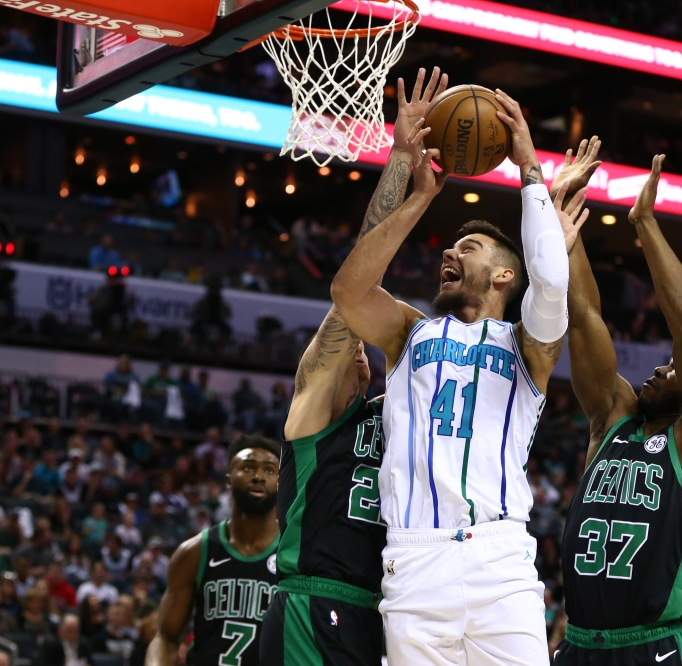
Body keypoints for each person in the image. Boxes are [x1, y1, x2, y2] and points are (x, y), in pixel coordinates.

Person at [331, 83, 582, 665]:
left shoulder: (529, 347)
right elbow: (348, 292)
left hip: (500, 559)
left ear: (502, 277)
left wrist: (528, 168)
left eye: (467, 248)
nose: (450, 253)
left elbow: (549, 281)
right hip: (414, 556)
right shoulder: (408, 332)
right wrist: (416, 192)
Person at [259, 66, 449, 666]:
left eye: (371, 357)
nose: (361, 360)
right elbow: (353, 290)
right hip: (312, 601)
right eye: (351, 353)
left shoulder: (402, 416)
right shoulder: (315, 413)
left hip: (382, 610)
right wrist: (400, 167)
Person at [552, 151, 682, 666]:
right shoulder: (614, 416)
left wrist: (645, 224)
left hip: (651, 647)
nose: (662, 370)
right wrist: (560, 219)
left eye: (674, 370)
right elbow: (584, 315)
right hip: (577, 643)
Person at [146, 434, 280, 666]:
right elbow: (166, 639)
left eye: (269, 470)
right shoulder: (194, 552)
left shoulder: (296, 553)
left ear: (282, 481)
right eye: (248, 468)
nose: (258, 477)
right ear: (228, 479)